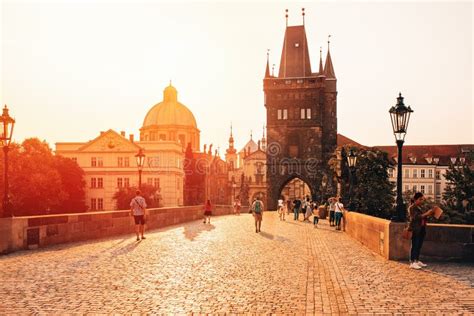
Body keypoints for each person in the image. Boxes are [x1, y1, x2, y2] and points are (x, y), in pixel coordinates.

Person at [407, 192, 434, 270]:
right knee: (414, 245)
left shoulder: (420, 207)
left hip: (422, 228)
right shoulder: (412, 207)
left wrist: (430, 214)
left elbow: (423, 217)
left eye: (422, 199)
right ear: (415, 199)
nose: (422, 201)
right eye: (420, 199)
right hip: (415, 228)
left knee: (419, 245)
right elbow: (416, 217)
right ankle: (412, 262)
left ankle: (417, 260)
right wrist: (426, 214)